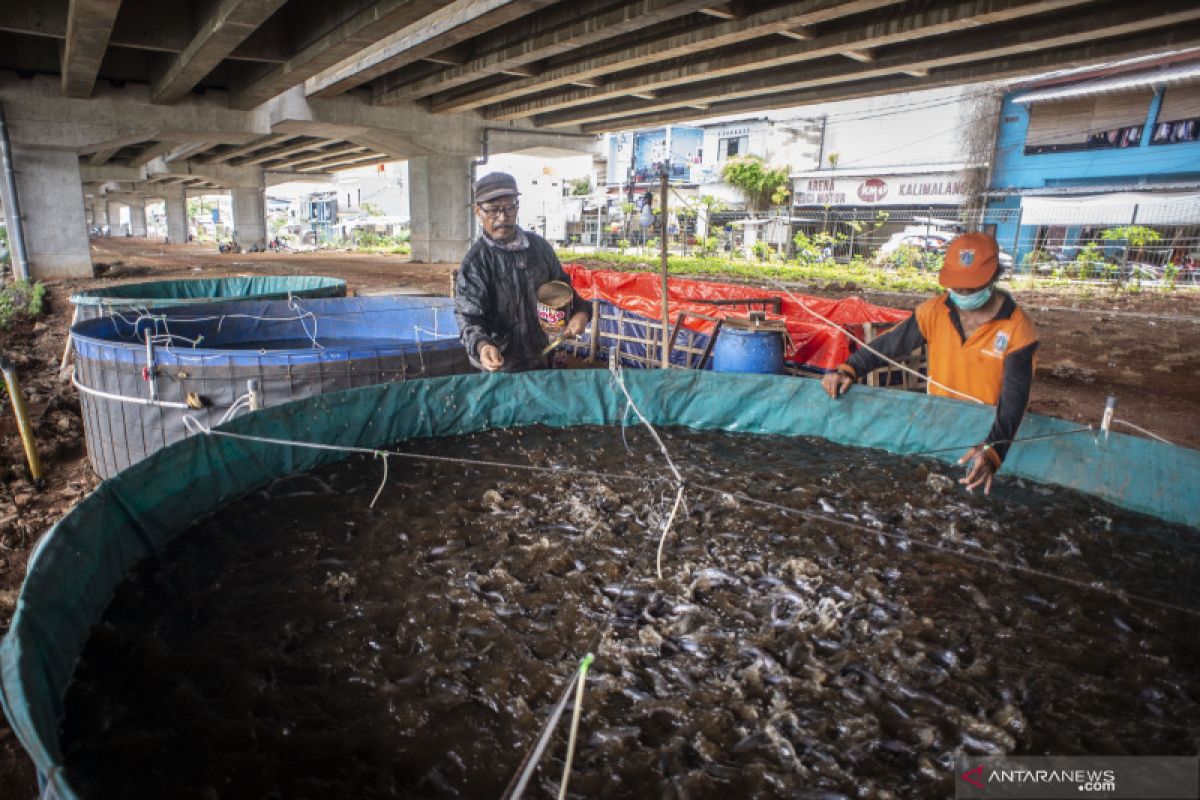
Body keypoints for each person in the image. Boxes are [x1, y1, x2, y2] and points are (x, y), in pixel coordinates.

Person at [821, 232, 1039, 494]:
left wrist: (994, 450)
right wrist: (849, 369)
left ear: (993, 278)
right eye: (957, 287)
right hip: (939, 424)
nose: (963, 294)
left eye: (971, 288)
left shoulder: (1018, 329)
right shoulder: (934, 312)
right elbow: (890, 344)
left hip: (988, 429)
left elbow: (1014, 398)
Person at [455, 172, 589, 373]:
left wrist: (581, 312)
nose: (502, 217)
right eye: (493, 210)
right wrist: (482, 346)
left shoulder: (540, 248)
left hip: (543, 360)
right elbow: (469, 319)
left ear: (517, 207)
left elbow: (564, 291)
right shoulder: (476, 262)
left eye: (509, 207)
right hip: (500, 367)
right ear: (478, 212)